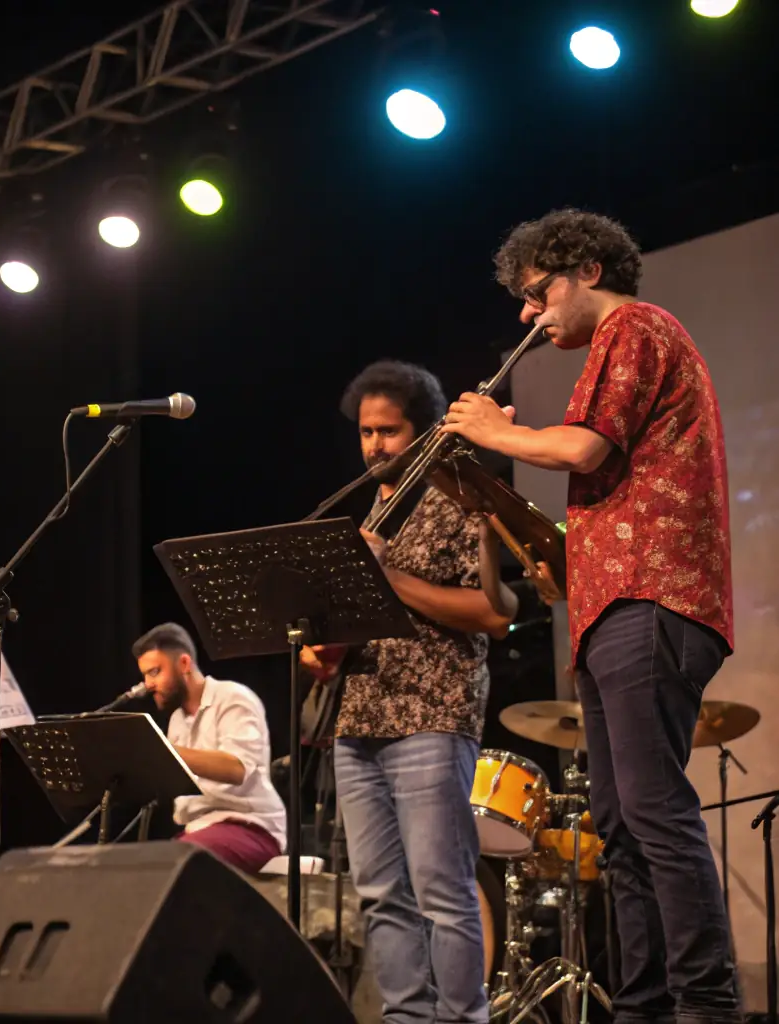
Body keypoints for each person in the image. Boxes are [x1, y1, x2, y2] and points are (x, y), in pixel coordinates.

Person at [442, 208, 739, 1024]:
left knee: (651, 810)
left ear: (587, 271)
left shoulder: (633, 327)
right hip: (614, 604)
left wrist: (498, 429)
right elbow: (611, 483)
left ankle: (707, 1006)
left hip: (652, 597)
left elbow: (579, 450)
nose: (526, 315)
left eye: (535, 294)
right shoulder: (613, 348)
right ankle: (642, 1007)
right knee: (617, 822)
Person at [302, 360, 515, 1024]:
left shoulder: (457, 498)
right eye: (365, 432)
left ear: (422, 432)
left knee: (441, 891)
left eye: (388, 431)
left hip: (430, 715)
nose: (373, 445)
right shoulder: (373, 507)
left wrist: (384, 578)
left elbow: (492, 612)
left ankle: (460, 1017)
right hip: (357, 720)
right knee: (377, 895)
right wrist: (322, 646)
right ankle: (404, 1017)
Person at [132, 622, 286, 873]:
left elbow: (237, 769)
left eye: (155, 672)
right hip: (198, 831)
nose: (148, 684)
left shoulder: (232, 697)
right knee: (144, 870)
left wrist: (163, 751)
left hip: (250, 827)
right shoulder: (177, 721)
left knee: (178, 864)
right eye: (145, 675)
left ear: (184, 664)